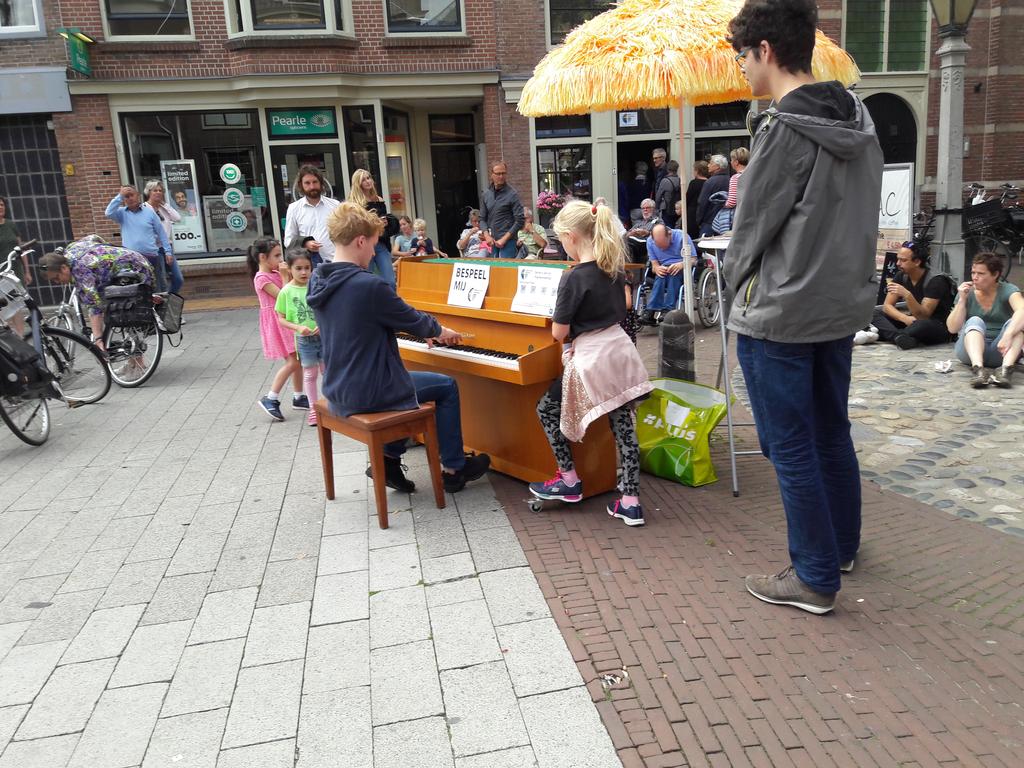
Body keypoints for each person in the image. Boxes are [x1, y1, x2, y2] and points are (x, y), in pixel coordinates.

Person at [724, 0, 883, 615]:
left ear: (765, 50)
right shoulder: (860, 117)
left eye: (742, 56)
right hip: (837, 308)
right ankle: (840, 546)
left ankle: (814, 577)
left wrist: (731, 290)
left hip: (780, 316)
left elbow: (751, 231)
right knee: (829, 430)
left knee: (788, 445)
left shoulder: (783, 130)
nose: (741, 68)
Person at [306, 201, 491, 494]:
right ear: (360, 240)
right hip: (370, 391)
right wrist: (441, 331)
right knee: (445, 387)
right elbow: (413, 319)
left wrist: (409, 326)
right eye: (375, 245)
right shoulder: (367, 285)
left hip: (337, 385)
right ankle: (454, 469)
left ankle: (390, 460)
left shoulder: (319, 279)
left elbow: (359, 318)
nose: (374, 253)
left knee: (410, 383)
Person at [527, 201, 652, 526]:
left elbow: (559, 333)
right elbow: (623, 308)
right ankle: (631, 500)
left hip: (593, 359)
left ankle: (568, 480)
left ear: (570, 237)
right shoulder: (613, 266)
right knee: (623, 425)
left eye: (560, 240)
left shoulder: (572, 278)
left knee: (545, 409)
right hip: (620, 354)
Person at [38, 237, 155, 352]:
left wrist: (98, 340)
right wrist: (105, 254)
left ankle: (136, 356)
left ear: (63, 267)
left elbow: (94, 307)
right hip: (136, 259)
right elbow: (94, 237)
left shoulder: (80, 270)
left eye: (56, 278)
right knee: (118, 308)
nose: (57, 282)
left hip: (136, 269)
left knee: (122, 311)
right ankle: (135, 360)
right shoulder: (70, 249)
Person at [946, 252, 1024, 388]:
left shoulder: (1008, 290)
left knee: (1017, 324)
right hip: (970, 351)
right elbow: (952, 328)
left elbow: (1022, 310)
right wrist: (962, 300)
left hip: (1001, 350)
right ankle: (979, 371)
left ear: (995, 275)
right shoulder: (967, 292)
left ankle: (1006, 371)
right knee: (975, 320)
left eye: (981, 274)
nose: (975, 278)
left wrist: (1008, 335)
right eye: (973, 273)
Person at [248, 238, 303, 422]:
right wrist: (286, 276)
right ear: (263, 257)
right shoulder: (262, 278)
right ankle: (271, 398)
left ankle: (299, 396)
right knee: (294, 361)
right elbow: (284, 297)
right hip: (278, 322)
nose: (281, 260)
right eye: (277, 255)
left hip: (286, 319)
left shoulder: (274, 272)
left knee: (298, 358)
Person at [869, 241, 955, 349]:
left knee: (922, 325)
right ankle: (900, 337)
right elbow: (887, 306)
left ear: (917, 262)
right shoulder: (901, 275)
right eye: (898, 259)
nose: (898, 263)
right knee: (873, 313)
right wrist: (904, 318)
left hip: (936, 325)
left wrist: (907, 295)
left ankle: (894, 335)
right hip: (912, 321)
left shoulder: (936, 280)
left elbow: (923, 316)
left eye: (903, 260)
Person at [275, 249, 321, 427]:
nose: (304, 272)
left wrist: (323, 325)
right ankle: (313, 409)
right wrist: (298, 328)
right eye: (299, 268)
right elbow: (281, 318)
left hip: (323, 337)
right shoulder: (286, 291)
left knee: (328, 371)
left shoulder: (317, 285)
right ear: (290, 269)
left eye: (307, 268)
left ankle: (331, 405)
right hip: (304, 340)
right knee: (310, 374)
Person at [105, 185, 172, 292]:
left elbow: (161, 232)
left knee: (157, 288)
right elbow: (108, 213)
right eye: (126, 196)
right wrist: (119, 196)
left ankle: (160, 308)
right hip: (131, 259)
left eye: (132, 195)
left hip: (151, 257)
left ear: (138, 196)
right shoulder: (121, 213)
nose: (130, 198)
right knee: (136, 290)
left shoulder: (149, 212)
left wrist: (168, 251)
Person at [347, 169, 397, 286]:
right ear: (358, 183)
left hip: (380, 241)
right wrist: (374, 222)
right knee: (366, 279)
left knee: (390, 281)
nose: (368, 181)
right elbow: (355, 224)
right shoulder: (354, 202)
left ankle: (389, 303)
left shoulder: (378, 199)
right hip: (364, 243)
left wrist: (386, 222)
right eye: (363, 180)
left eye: (369, 178)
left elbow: (384, 217)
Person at [284, 165, 340, 268]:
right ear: (301, 185)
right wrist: (305, 243)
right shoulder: (294, 208)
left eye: (315, 182)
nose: (312, 187)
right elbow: (288, 240)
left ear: (321, 183)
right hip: (309, 265)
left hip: (335, 262)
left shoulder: (335, 205)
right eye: (307, 183)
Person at [641, 224, 695, 324]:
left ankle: (667, 310)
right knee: (660, 275)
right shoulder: (650, 241)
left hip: (682, 268)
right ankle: (650, 311)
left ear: (669, 234)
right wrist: (657, 268)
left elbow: (693, 260)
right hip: (664, 269)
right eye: (658, 245)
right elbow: (654, 265)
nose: (661, 249)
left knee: (673, 274)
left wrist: (681, 264)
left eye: (663, 244)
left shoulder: (682, 237)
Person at [142, 180, 185, 296]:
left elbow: (177, 218)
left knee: (178, 279)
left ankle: (169, 300)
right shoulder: (144, 209)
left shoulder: (164, 208)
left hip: (167, 248)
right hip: (154, 249)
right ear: (148, 192)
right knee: (161, 282)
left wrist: (164, 204)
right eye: (155, 190)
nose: (158, 193)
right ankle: (163, 307)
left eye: (160, 191)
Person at [479, 161, 525, 259]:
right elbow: (482, 218)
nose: (501, 176)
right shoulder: (486, 194)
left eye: (503, 173)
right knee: (494, 270)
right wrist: (486, 235)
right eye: (498, 173)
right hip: (492, 240)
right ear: (492, 174)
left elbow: (520, 220)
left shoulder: (512, 194)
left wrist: (504, 239)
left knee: (506, 271)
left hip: (508, 241)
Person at [714, 147, 749, 234]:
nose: (731, 162)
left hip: (739, 216)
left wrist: (722, 203)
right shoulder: (753, 175)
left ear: (736, 162)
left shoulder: (736, 178)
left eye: (732, 160)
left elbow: (732, 202)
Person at [694, 155, 730, 237]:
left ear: (717, 167)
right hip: (726, 222)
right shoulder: (730, 180)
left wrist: (699, 220)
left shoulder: (710, 182)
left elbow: (702, 203)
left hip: (709, 222)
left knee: (706, 247)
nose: (708, 165)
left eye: (710, 163)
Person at [0, 196, 29, 287]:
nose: (0, 207)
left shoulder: (11, 224)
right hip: (2, 272)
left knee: (23, 298)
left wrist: (27, 272)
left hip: (17, 269)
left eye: (2, 205)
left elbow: (21, 248)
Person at [685, 161, 709, 240]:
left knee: (691, 238)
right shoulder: (709, 182)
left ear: (697, 171)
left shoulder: (693, 183)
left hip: (692, 214)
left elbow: (687, 199)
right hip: (705, 214)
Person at [655, 160, 682, 229]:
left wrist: (656, 208)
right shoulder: (680, 180)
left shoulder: (665, 181)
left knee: (668, 228)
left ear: (667, 169)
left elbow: (658, 196)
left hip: (667, 209)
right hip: (678, 209)